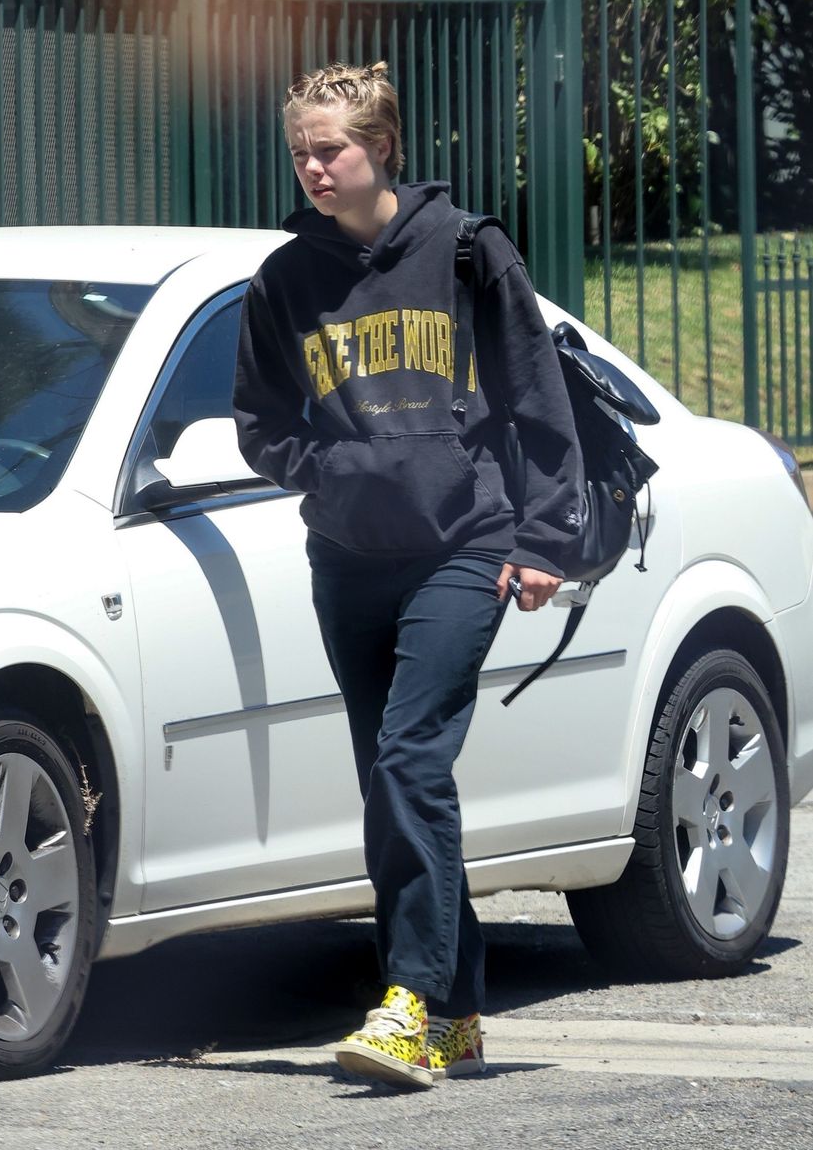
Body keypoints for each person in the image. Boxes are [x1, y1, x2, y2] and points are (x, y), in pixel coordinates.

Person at [234, 61, 583, 1090]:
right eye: (300, 150)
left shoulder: (466, 250)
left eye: (329, 149)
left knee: (408, 762)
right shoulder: (285, 278)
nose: (312, 167)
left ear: (380, 148)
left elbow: (534, 398)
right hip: (346, 558)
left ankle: (410, 1002)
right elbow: (260, 422)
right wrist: (329, 470)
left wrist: (541, 543)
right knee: (392, 787)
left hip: (462, 543)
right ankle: (461, 1008)